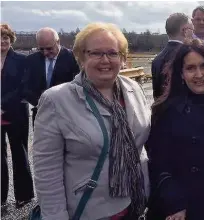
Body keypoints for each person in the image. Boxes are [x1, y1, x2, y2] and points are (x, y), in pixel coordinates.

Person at [32, 22, 150, 219]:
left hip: (134, 203)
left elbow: (137, 142)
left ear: (122, 58)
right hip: (88, 210)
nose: (105, 60)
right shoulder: (56, 100)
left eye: (112, 53)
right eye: (96, 53)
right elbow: (47, 172)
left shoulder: (133, 89)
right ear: (81, 57)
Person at [146, 39, 204, 220]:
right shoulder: (165, 110)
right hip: (182, 207)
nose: (199, 74)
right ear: (181, 74)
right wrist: (174, 203)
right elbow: (158, 162)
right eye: (191, 68)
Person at [1, 23, 34, 209]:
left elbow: (23, 87)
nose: (2, 41)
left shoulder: (21, 60)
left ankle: (24, 195)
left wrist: (2, 105)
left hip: (15, 113)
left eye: (5, 38)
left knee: (19, 153)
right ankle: (1, 198)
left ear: (11, 39)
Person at [24, 27, 79, 125]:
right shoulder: (30, 60)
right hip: (40, 114)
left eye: (49, 48)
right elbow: (25, 87)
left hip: (67, 115)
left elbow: (78, 87)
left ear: (58, 42)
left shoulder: (73, 59)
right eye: (41, 49)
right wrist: (40, 103)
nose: (45, 52)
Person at [151, 13, 194, 100]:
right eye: (192, 30)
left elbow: (156, 94)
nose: (193, 33)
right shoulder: (189, 56)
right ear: (185, 31)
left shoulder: (156, 60)